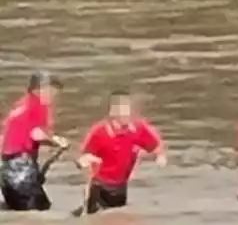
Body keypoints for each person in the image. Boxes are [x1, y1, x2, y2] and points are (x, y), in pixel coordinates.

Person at [73, 91, 166, 216]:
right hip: (99, 187)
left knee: (118, 223)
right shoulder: (99, 132)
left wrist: (159, 156)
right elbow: (80, 159)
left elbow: (156, 147)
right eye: (122, 109)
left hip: (121, 187)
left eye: (128, 109)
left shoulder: (138, 129)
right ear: (112, 112)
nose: (126, 113)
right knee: (96, 222)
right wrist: (84, 161)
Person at [1, 71, 67, 211]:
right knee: (40, 212)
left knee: (21, 214)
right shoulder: (38, 106)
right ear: (38, 90)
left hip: (7, 171)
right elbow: (36, 134)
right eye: (52, 91)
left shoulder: (22, 104)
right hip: (22, 172)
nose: (54, 96)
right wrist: (57, 141)